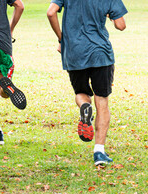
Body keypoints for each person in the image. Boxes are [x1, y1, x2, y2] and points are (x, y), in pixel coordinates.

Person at [47, 0, 127, 165]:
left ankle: (85, 107)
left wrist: (62, 38)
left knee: (81, 93)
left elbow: (50, 12)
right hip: (101, 54)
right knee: (102, 101)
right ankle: (99, 152)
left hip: (74, 51)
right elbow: (120, 25)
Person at [0, 0, 26, 145]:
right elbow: (20, 5)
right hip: (3, 37)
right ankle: (6, 88)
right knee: (1, 86)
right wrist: (10, 28)